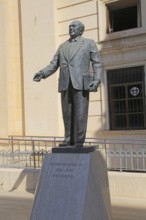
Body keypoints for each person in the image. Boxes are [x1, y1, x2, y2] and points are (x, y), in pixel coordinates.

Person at [33, 20, 102, 147]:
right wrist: (42, 73)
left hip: (81, 83)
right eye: (70, 26)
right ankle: (68, 138)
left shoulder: (88, 43)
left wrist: (97, 80)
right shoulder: (62, 46)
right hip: (65, 83)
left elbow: (97, 63)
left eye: (74, 26)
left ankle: (79, 141)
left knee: (80, 113)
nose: (71, 28)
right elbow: (53, 64)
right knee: (67, 113)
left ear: (81, 30)